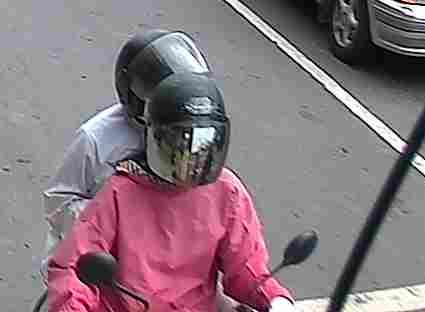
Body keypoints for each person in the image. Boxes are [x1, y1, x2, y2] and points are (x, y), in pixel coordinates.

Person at [43, 73, 293, 312]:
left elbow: (246, 268)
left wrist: (276, 300)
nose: (191, 162)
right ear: (155, 139)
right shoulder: (121, 191)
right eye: (180, 147)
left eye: (201, 149)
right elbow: (73, 267)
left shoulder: (228, 192)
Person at [41, 30, 212, 255]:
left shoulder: (189, 135)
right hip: (91, 259)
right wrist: (115, 221)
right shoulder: (96, 140)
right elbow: (58, 202)